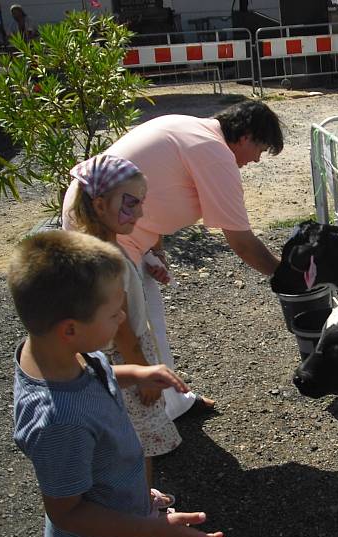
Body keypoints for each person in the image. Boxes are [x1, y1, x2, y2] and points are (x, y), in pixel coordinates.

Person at [9, 230, 224, 537]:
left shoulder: (62, 352)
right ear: (70, 329)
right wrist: (158, 529)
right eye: (114, 313)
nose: (122, 316)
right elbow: (68, 513)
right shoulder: (59, 420)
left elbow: (98, 372)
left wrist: (136, 372)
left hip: (135, 522)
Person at [62, 98, 284, 420]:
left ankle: (171, 402)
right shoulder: (216, 152)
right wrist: (286, 275)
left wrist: (154, 247)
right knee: (132, 327)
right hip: (106, 234)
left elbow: (152, 186)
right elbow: (241, 241)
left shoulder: (187, 126)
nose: (256, 160)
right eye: (260, 150)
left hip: (99, 221)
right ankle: (145, 418)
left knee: (150, 323)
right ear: (246, 136)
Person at [67, 154, 182, 495]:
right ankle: (142, 510)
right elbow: (122, 330)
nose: (140, 213)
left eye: (140, 203)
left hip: (113, 358)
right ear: (100, 204)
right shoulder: (108, 261)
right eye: (130, 204)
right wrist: (144, 373)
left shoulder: (94, 247)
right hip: (124, 358)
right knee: (139, 442)